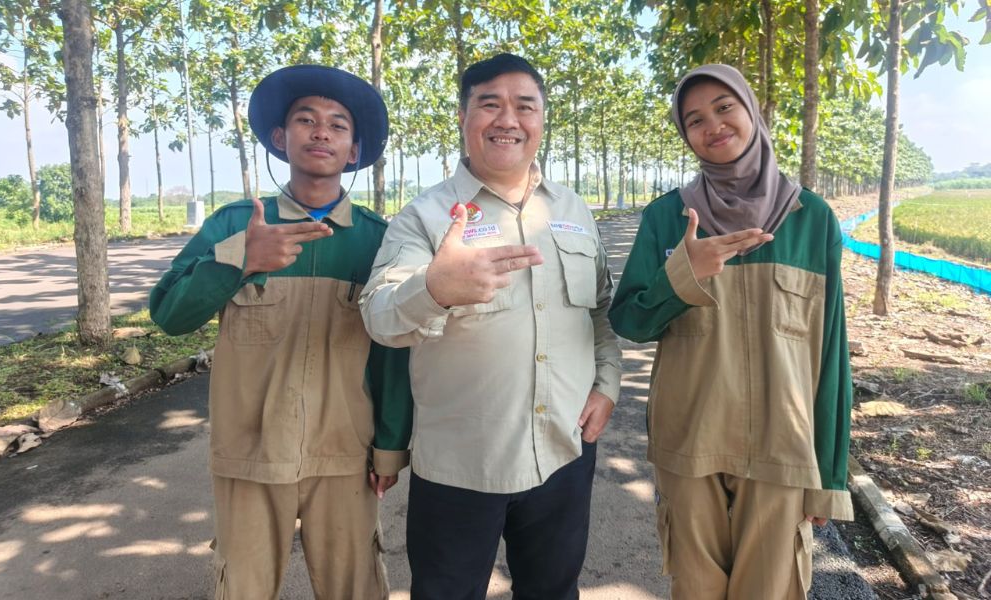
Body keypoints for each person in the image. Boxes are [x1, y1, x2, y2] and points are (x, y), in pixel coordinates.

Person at [359, 53, 622, 600]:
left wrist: (607, 383)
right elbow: (379, 316)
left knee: (553, 591)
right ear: (463, 116)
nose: (508, 119)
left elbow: (598, 308)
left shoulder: (572, 208)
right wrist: (435, 288)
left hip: (564, 451)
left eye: (525, 106)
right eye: (489, 104)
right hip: (462, 466)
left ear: (541, 119)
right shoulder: (426, 217)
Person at [149, 65, 411, 600]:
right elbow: (170, 314)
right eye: (305, 120)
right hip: (250, 450)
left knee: (355, 587)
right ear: (279, 137)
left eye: (338, 125)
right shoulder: (234, 224)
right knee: (242, 588)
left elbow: (392, 354)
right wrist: (239, 258)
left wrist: (390, 446)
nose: (321, 132)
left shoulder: (378, 241)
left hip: (345, 454)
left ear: (354, 151)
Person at [609, 63, 854, 599]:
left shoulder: (812, 219)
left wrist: (830, 477)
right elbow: (629, 321)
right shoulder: (667, 218)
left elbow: (831, 352)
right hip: (689, 440)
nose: (712, 125)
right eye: (694, 120)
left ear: (752, 111)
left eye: (724, 108)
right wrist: (684, 275)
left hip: (782, 447)